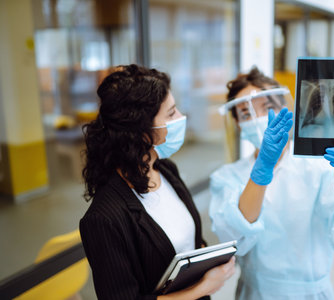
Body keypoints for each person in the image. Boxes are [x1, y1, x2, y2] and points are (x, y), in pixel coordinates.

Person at [209, 67, 334, 300]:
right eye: (246, 114)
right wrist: (261, 172)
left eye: (267, 108)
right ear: (237, 124)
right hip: (254, 293)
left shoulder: (319, 166)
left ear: (285, 108)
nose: (258, 120)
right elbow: (234, 238)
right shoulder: (227, 177)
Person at [79, 64, 235, 300]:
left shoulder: (165, 170)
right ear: (141, 130)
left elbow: (189, 242)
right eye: (171, 113)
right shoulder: (103, 219)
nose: (181, 118)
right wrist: (202, 288)